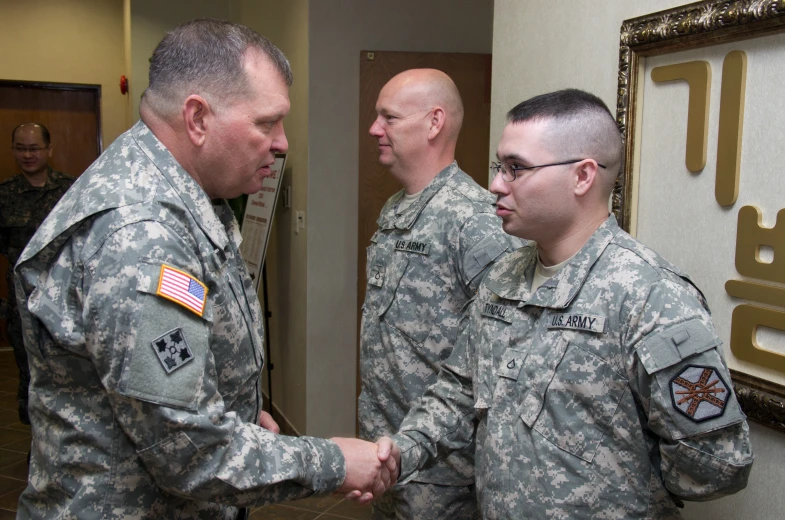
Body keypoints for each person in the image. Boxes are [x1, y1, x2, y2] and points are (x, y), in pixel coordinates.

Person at [14, 19, 395, 520]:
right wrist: (335, 461)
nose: (281, 143)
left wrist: (236, 409)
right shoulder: (140, 236)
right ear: (197, 117)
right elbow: (191, 453)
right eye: (267, 123)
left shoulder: (189, 194)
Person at [378, 89, 754, 518]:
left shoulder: (649, 296)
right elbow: (460, 391)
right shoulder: (504, 278)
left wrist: (629, 485)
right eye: (498, 167)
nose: (496, 185)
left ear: (582, 176)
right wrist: (403, 451)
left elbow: (718, 461)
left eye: (516, 168)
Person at [360, 69, 521, 520]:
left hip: (442, 468)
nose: (375, 129)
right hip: (390, 447)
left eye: (388, 117)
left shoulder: (475, 220)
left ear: (434, 123)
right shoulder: (397, 206)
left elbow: (500, 350)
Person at [0, 122, 73, 425]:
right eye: (21, 148)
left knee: (69, 377)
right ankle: (37, 449)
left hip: (65, 304)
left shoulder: (70, 191)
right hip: (23, 307)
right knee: (30, 379)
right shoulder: (5, 195)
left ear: (48, 149)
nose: (27, 154)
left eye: (34, 148)